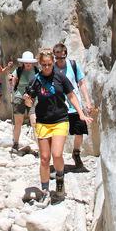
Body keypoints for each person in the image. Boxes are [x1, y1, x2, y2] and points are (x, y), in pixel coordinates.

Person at [22, 49, 92, 204]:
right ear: (40, 64)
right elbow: (30, 102)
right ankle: (45, 190)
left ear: (53, 62)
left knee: (57, 154)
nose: (47, 68)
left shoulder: (60, 77)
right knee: (45, 159)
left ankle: (60, 180)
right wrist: (27, 100)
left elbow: (71, 95)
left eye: (49, 64)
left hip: (60, 119)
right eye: (44, 65)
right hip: (42, 122)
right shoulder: (36, 80)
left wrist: (80, 113)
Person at [53, 43, 94, 169]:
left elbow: (81, 83)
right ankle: (58, 158)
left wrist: (87, 101)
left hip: (75, 105)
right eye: (57, 57)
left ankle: (76, 153)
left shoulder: (73, 65)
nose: (60, 60)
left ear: (65, 54)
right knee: (61, 133)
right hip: (60, 106)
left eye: (62, 57)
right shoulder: (51, 69)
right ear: (54, 56)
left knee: (79, 132)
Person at [9, 50, 39, 154]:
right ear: (23, 63)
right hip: (19, 97)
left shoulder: (36, 70)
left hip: (32, 98)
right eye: (26, 63)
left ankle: (40, 146)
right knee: (18, 122)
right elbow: (13, 80)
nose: (28, 65)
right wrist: (11, 80)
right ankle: (15, 143)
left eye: (29, 63)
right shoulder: (18, 70)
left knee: (34, 122)